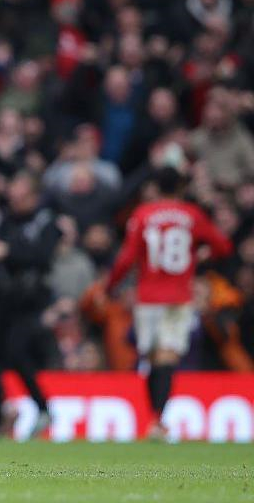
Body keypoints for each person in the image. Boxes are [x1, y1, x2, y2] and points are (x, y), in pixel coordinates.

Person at [101, 167, 232, 440]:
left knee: (151, 358)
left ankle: (157, 420)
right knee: (167, 357)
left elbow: (126, 258)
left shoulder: (143, 214)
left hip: (147, 296)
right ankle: (158, 419)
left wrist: (111, 286)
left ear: (155, 188)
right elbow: (223, 246)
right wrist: (200, 253)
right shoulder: (192, 215)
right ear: (180, 188)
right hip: (178, 296)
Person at [0, 171, 58, 438]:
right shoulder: (3, 219)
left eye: (21, 192)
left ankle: (42, 408)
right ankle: (1, 415)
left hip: (30, 302)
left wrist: (10, 252)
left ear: (34, 195)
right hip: (1, 300)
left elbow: (43, 256)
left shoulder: (46, 221)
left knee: (17, 352)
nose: (14, 197)